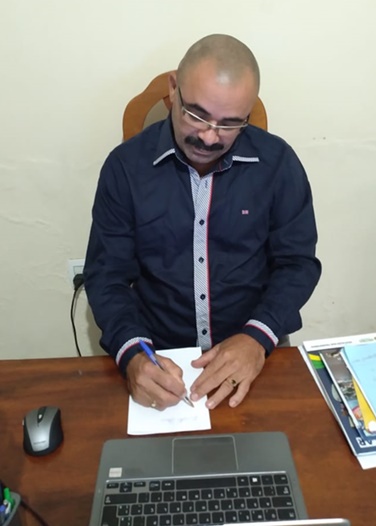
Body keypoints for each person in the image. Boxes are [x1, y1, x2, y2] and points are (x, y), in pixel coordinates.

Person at [84, 34, 322, 411]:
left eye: (230, 124)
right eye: (196, 115)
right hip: (161, 359)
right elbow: (106, 275)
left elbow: (297, 264)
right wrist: (133, 354)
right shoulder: (125, 168)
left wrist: (257, 337)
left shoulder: (278, 164)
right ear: (173, 89)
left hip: (254, 349)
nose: (209, 137)